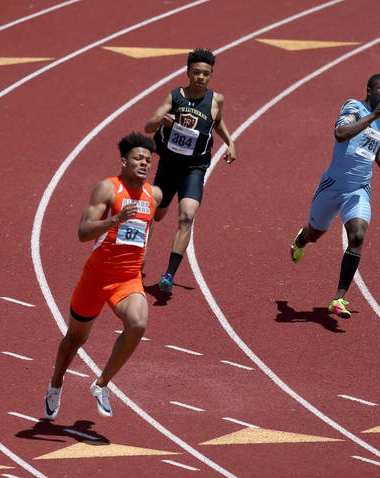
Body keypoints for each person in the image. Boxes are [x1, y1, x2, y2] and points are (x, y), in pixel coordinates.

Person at [44, 133, 163, 419]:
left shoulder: (153, 195)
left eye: (148, 160)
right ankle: (56, 383)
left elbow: (146, 231)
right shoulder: (108, 189)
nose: (144, 163)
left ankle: (101, 384)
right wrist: (114, 220)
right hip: (96, 278)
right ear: (124, 161)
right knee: (74, 340)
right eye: (138, 158)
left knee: (138, 324)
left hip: (128, 279)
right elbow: (83, 232)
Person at [289, 74, 380, 319]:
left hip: (359, 189)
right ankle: (302, 239)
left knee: (358, 235)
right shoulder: (353, 107)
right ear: (369, 90)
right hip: (332, 186)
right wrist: (373, 116)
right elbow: (340, 133)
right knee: (315, 233)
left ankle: (339, 298)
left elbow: (377, 144)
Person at [143, 48, 236, 292]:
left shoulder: (217, 100)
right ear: (188, 72)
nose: (200, 77)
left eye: (206, 74)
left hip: (195, 167)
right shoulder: (175, 96)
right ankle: (140, 257)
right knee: (156, 213)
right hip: (169, 164)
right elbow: (148, 126)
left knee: (187, 215)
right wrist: (161, 121)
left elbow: (217, 121)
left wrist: (230, 142)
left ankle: (169, 275)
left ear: (211, 75)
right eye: (196, 72)